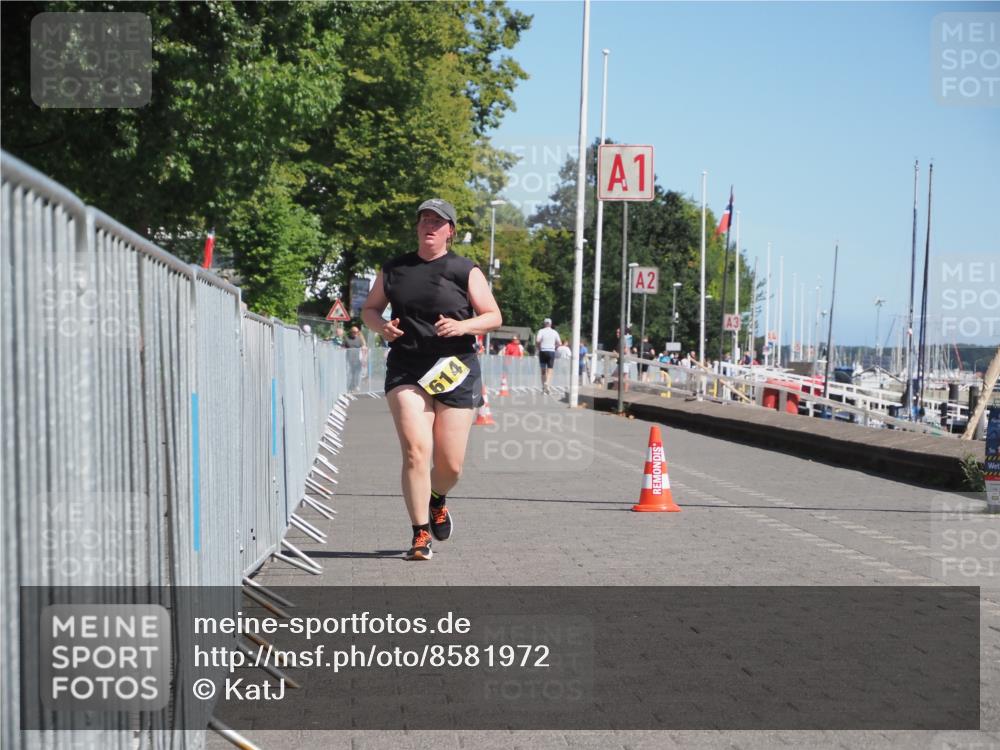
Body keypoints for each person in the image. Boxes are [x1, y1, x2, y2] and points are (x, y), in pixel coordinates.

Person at [361, 198, 501, 561]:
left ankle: (437, 498)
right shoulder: (394, 269)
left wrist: (462, 325)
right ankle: (419, 533)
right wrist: (382, 327)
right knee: (415, 452)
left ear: (450, 231)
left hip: (455, 369)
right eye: (424, 219)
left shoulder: (464, 270)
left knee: (450, 465)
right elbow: (369, 309)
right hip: (408, 367)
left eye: (437, 222)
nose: (429, 226)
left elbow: (493, 316)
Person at [536, 317, 561, 394]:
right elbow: (559, 343)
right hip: (551, 351)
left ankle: (544, 388)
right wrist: (554, 346)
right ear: (551, 324)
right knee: (550, 370)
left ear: (544, 324)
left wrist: (539, 347)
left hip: (543, 351)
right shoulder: (554, 332)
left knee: (543, 370)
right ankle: (547, 383)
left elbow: (537, 340)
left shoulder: (541, 331)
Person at [342, 325, 366, 392]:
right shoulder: (347, 339)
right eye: (354, 332)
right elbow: (342, 347)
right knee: (350, 374)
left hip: (358, 360)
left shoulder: (359, 339)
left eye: (357, 332)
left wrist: (364, 359)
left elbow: (363, 348)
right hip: (349, 360)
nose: (355, 333)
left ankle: (356, 386)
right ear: (351, 332)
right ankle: (349, 387)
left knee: (357, 374)